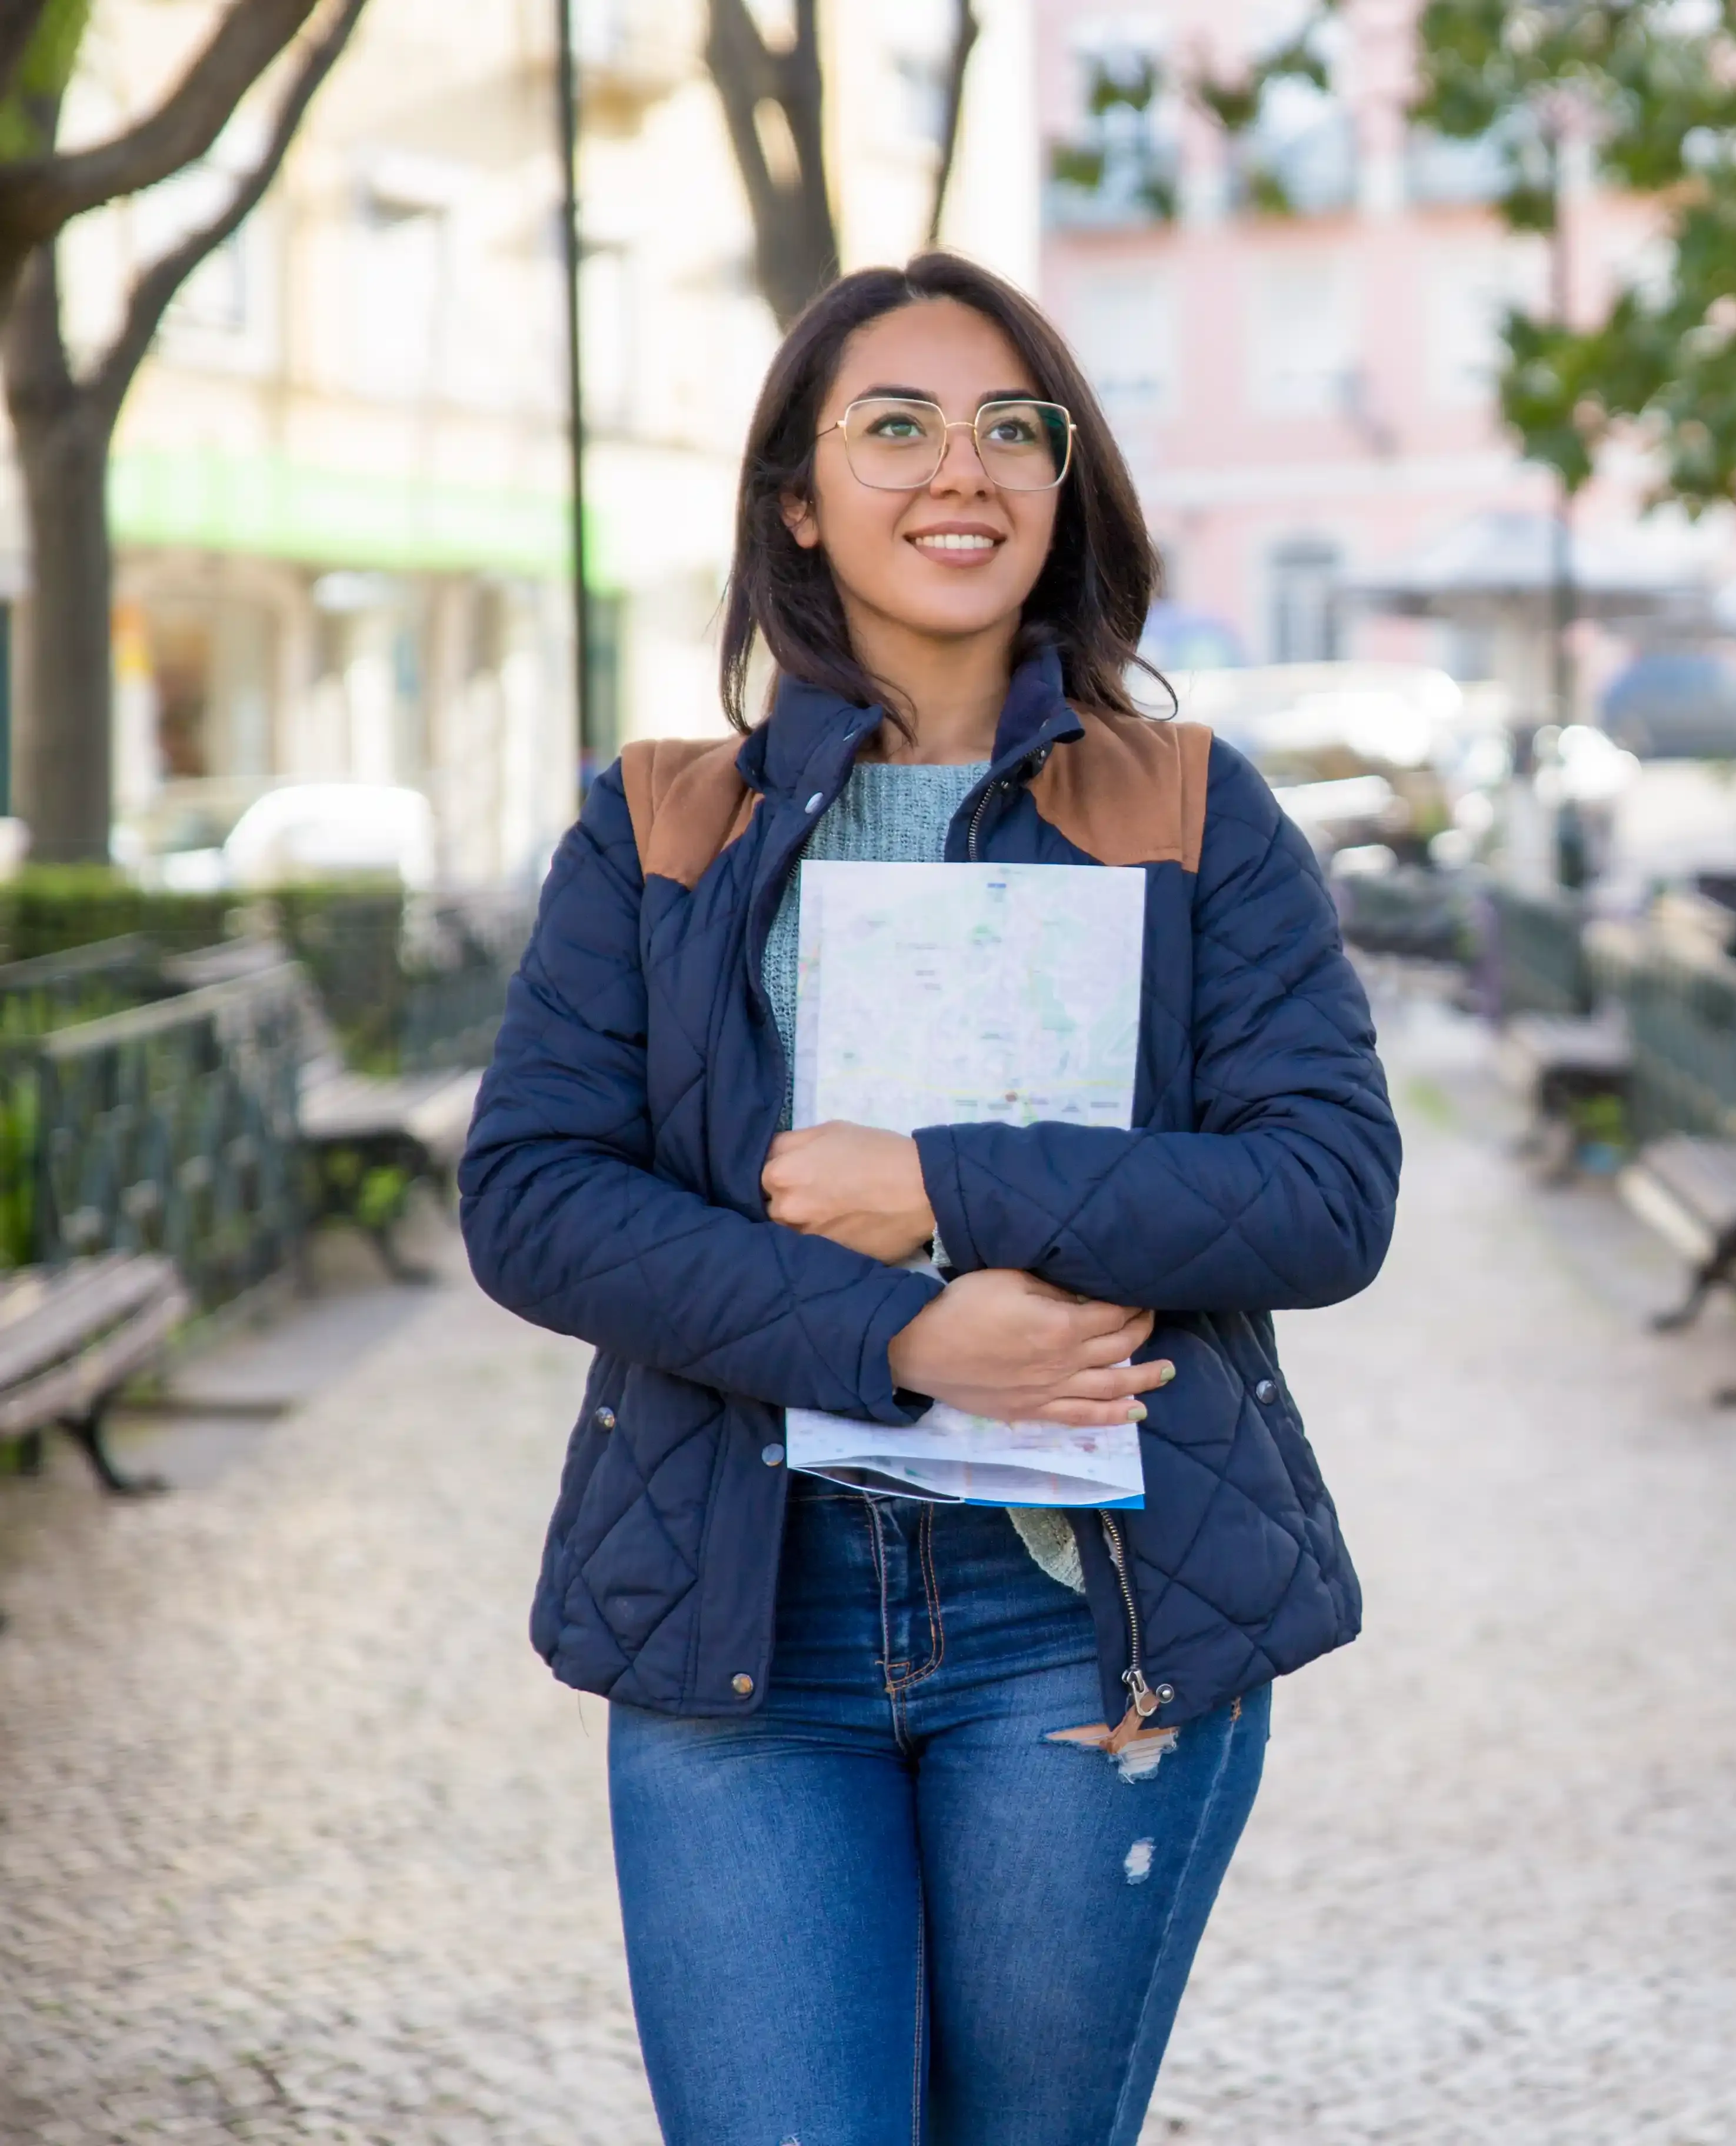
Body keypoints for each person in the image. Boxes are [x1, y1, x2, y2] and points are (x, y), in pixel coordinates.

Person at [459, 252, 1399, 2144]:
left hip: (1084, 1623)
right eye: (894, 427)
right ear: (799, 501)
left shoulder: (1194, 809)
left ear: (1063, 491)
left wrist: (942, 1186)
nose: (957, 469)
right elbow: (537, 1197)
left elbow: (1327, 1191)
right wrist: (902, 1333)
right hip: (747, 1622)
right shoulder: (656, 824)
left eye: (1009, 429)